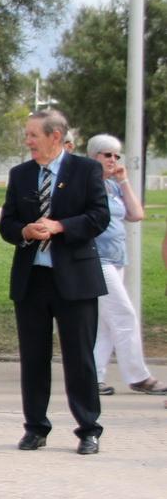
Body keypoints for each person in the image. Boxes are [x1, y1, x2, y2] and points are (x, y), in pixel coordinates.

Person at [0, 109, 109, 455]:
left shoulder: (86, 170)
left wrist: (60, 226)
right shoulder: (20, 174)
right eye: (27, 135)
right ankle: (35, 428)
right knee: (33, 357)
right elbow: (7, 224)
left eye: (33, 135)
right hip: (33, 279)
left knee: (79, 357)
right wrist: (24, 231)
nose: (27, 141)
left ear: (55, 136)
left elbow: (99, 216)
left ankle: (88, 429)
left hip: (75, 279)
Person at [86, 134, 167, 396]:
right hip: (97, 259)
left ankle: (92, 378)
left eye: (116, 155)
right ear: (94, 156)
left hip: (117, 258)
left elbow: (136, 214)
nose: (113, 160)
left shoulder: (114, 187)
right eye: (107, 154)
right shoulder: (87, 184)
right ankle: (138, 376)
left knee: (107, 324)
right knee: (124, 315)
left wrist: (123, 180)